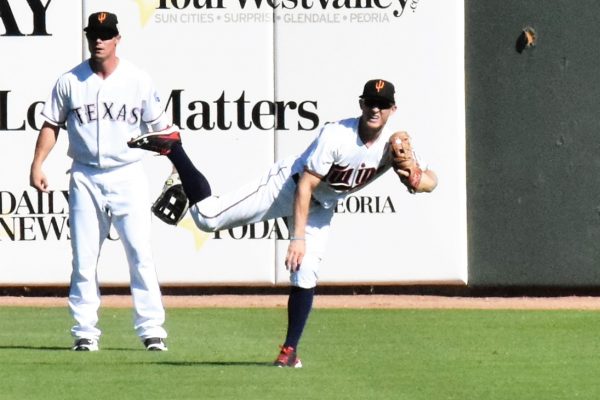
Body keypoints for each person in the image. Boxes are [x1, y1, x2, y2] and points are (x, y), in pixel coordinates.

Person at [128, 79, 438, 366]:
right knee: (207, 217)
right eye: (370, 101)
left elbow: (431, 182)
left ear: (392, 110)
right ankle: (174, 147)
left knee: (305, 273)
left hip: (322, 205)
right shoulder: (337, 135)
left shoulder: (393, 144)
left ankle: (289, 352)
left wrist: (413, 175)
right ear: (360, 104)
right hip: (286, 187)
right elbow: (305, 185)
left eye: (382, 104)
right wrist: (297, 239)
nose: (375, 109)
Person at [29, 11, 169, 352]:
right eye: (94, 34)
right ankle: (84, 331)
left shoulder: (138, 79)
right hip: (85, 175)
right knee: (84, 257)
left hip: (128, 173)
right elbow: (51, 125)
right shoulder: (70, 81)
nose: (99, 40)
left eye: (106, 34)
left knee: (140, 254)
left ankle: (152, 330)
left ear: (117, 39)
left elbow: (162, 130)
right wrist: (37, 164)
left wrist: (176, 169)